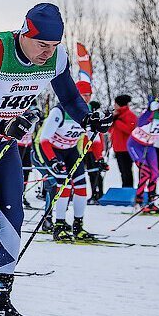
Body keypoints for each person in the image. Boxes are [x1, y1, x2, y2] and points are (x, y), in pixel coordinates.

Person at [0, 3, 107, 316]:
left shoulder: (56, 58)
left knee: (13, 217)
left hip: (2, 143)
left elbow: (70, 97)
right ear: (25, 33)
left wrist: (88, 119)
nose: (48, 52)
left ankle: (0, 302)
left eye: (54, 45)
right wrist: (0, 126)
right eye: (42, 44)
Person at [36, 79, 97, 241]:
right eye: (83, 95)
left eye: (89, 95)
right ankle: (59, 225)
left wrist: (99, 158)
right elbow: (44, 139)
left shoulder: (88, 112)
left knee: (82, 186)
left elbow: (94, 139)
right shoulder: (60, 110)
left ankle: (78, 226)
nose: (86, 99)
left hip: (70, 151)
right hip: (51, 150)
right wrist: (53, 160)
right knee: (65, 186)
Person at [128, 91, 159, 213]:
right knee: (145, 172)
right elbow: (140, 123)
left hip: (149, 146)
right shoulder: (152, 112)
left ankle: (151, 202)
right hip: (136, 144)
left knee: (155, 173)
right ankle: (138, 202)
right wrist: (149, 110)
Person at [109, 95, 137, 188]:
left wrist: (117, 122)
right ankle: (125, 188)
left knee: (127, 171)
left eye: (115, 104)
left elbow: (130, 129)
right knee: (122, 171)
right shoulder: (117, 115)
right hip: (118, 148)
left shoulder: (129, 115)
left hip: (126, 148)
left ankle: (128, 189)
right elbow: (110, 130)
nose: (114, 106)